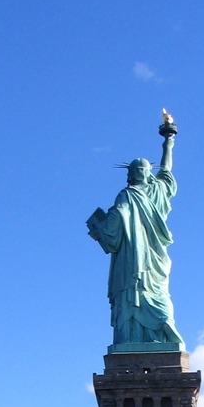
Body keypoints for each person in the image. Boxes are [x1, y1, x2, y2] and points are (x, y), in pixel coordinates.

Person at [87, 118, 183, 347]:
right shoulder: (158, 190)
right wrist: (169, 141)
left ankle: (132, 338)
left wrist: (99, 227)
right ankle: (158, 333)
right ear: (149, 174)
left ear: (130, 175)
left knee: (134, 292)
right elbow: (167, 169)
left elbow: (115, 223)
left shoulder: (127, 195)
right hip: (152, 257)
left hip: (132, 260)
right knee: (156, 294)